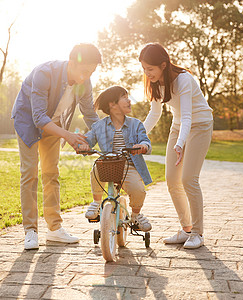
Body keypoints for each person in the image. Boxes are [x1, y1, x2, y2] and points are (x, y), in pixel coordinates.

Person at [11, 43, 102, 250]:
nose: (87, 76)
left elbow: (90, 115)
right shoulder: (45, 73)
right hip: (28, 121)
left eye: (92, 72)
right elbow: (39, 118)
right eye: (85, 71)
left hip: (55, 123)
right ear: (72, 63)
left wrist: (102, 139)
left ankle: (54, 229)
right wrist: (69, 136)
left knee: (51, 173)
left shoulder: (84, 83)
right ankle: (31, 231)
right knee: (30, 173)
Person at [139, 43, 213, 249]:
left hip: (200, 125)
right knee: (172, 179)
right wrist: (138, 134)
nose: (147, 73)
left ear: (163, 65)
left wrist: (180, 144)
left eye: (150, 69)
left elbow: (188, 115)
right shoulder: (154, 83)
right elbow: (155, 113)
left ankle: (198, 233)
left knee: (189, 178)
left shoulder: (183, 79)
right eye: (144, 68)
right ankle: (186, 229)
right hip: (178, 126)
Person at [78, 86, 153, 231]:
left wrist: (143, 146)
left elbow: (145, 141)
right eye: (124, 97)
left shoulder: (136, 125)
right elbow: (88, 140)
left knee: (139, 190)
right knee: (95, 169)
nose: (129, 100)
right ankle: (96, 203)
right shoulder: (99, 126)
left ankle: (136, 215)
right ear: (112, 104)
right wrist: (83, 146)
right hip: (107, 165)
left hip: (128, 166)